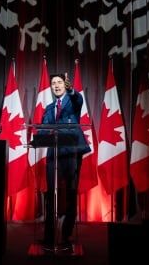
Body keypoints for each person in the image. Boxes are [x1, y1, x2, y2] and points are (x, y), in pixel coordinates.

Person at [40, 72, 90, 252]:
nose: (56, 85)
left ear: (65, 85)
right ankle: (50, 235)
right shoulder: (48, 107)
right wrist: (41, 135)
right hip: (54, 153)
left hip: (71, 153)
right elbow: (43, 130)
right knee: (51, 195)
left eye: (59, 82)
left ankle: (67, 234)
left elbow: (78, 100)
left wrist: (72, 90)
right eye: (53, 83)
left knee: (70, 193)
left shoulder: (72, 102)